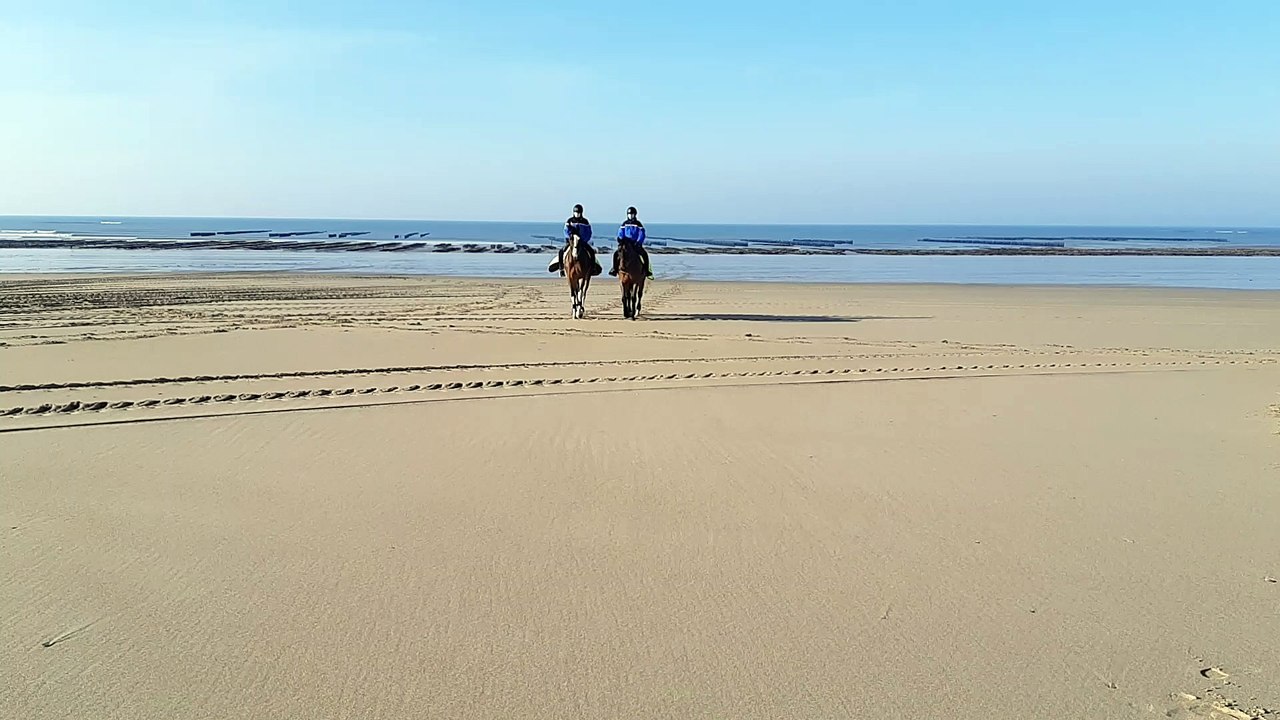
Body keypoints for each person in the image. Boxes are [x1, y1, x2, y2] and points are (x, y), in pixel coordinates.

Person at [547, 204, 600, 275]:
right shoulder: (570, 221)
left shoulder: (585, 222)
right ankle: (561, 269)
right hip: (571, 242)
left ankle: (593, 268)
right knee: (561, 252)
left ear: (581, 213)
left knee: (591, 252)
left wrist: (584, 240)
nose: (577, 214)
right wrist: (570, 237)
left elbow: (588, 233)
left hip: (582, 242)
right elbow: (566, 230)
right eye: (576, 212)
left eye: (578, 213)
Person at [610, 206, 652, 278]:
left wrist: (638, 242)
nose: (630, 216)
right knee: (616, 254)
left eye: (632, 214)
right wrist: (620, 239)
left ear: (635, 215)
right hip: (626, 243)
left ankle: (646, 270)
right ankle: (614, 269)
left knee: (644, 255)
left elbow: (642, 234)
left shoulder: (638, 224)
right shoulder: (624, 223)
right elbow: (621, 232)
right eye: (629, 214)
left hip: (635, 244)